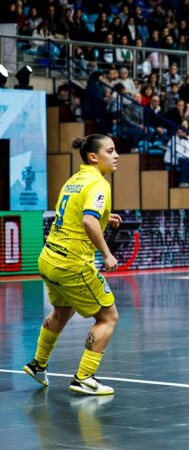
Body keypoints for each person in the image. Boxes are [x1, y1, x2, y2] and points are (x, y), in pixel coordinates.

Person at [24, 135, 122, 395]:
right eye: (110, 151)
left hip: (48, 259)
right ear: (93, 157)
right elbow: (88, 222)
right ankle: (84, 378)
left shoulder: (74, 180)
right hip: (72, 263)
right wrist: (107, 254)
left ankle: (38, 364)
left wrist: (104, 217)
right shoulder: (99, 184)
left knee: (62, 311)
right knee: (108, 317)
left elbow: (74, 214)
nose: (116, 156)